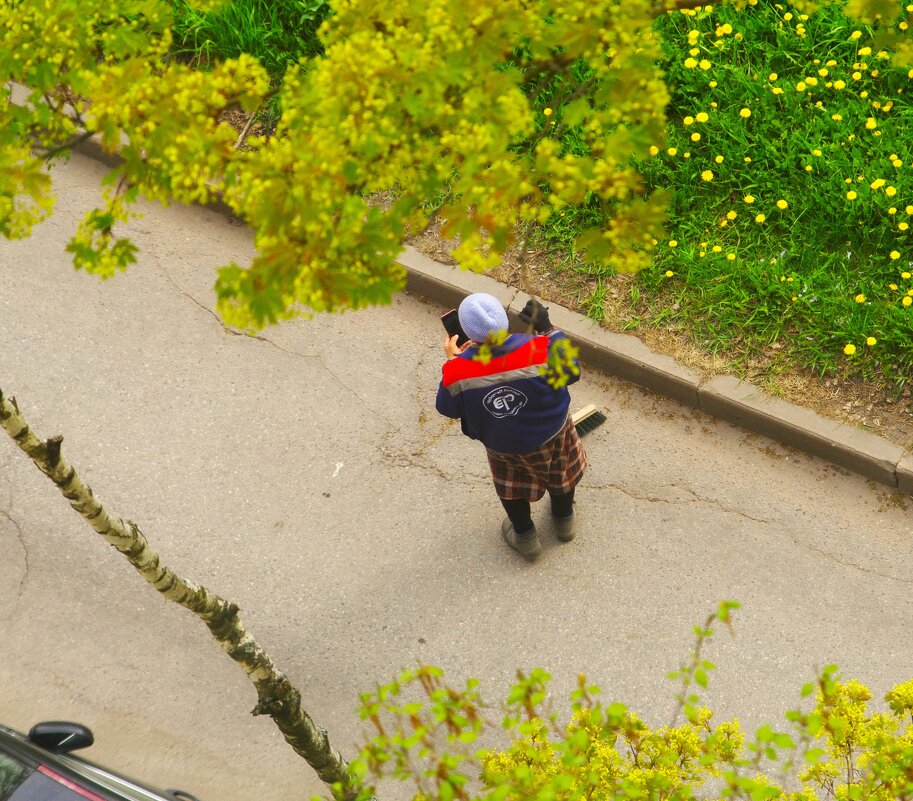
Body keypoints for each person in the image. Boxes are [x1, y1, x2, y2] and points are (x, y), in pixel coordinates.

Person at [435, 292, 587, 561]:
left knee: (512, 488)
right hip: (554, 432)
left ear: (465, 332)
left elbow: (447, 408)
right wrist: (548, 329)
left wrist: (453, 362)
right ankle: (564, 521)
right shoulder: (539, 348)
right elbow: (573, 371)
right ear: (505, 322)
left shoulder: (459, 372)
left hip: (504, 446)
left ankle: (526, 537)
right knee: (561, 474)